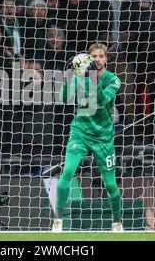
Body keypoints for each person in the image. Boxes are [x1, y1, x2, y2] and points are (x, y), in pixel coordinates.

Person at [52, 43, 123, 233]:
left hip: (103, 137)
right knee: (67, 172)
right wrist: (67, 78)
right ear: (89, 59)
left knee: (110, 184)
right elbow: (64, 98)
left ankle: (117, 222)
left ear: (106, 59)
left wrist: (91, 79)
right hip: (80, 132)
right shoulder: (78, 77)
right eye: (94, 56)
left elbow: (101, 100)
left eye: (101, 56)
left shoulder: (113, 80)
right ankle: (57, 220)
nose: (98, 59)